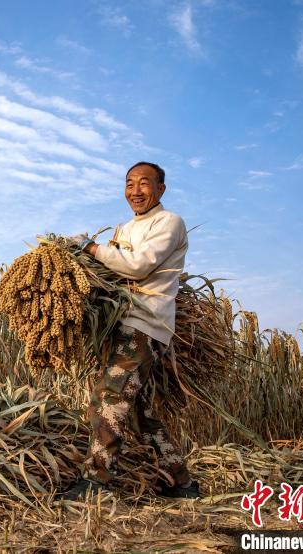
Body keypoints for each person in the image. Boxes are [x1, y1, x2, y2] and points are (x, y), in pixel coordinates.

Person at [63, 161, 200, 500]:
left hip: (145, 324)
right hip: (121, 326)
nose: (135, 191)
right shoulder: (124, 229)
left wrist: (90, 248)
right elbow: (110, 273)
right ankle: (182, 484)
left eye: (144, 183)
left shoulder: (170, 223)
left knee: (107, 399)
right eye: (129, 184)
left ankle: (96, 481)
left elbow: (137, 266)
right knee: (142, 413)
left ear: (160, 189)